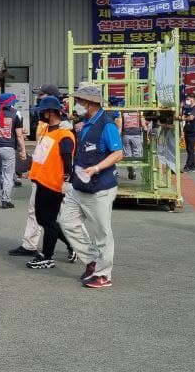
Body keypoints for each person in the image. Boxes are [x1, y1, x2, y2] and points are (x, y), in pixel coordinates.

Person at [59, 84, 124, 289]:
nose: (76, 105)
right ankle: (91, 260)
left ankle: (104, 274)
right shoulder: (85, 122)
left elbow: (118, 153)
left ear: (89, 103)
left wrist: (96, 168)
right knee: (66, 221)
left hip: (100, 188)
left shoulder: (107, 124)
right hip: (80, 186)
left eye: (78, 101)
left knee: (102, 232)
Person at [25, 96, 76, 269]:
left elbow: (67, 159)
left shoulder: (65, 134)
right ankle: (71, 244)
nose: (41, 114)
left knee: (48, 220)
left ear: (51, 112)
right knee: (43, 219)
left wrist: (67, 180)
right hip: (41, 180)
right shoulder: (47, 130)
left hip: (54, 183)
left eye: (44, 111)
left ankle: (47, 256)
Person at [0, 92, 25, 208]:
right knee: (8, 174)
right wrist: (23, 150)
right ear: (11, 103)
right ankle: (5, 200)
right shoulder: (15, 116)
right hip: (8, 148)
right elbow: (19, 135)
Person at [115, 98, 147, 182]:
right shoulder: (139, 111)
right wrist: (146, 132)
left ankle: (131, 169)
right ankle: (133, 170)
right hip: (136, 135)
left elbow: (120, 125)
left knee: (127, 155)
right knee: (137, 154)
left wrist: (119, 135)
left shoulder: (123, 111)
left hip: (126, 135)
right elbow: (143, 124)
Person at [180, 93, 195, 172]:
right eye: (186, 100)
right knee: (189, 149)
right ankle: (192, 167)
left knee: (190, 149)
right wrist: (181, 107)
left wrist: (183, 118)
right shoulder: (188, 108)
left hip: (194, 132)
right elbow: (182, 115)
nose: (187, 101)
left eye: (188, 99)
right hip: (188, 131)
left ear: (193, 99)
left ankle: (188, 167)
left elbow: (191, 117)